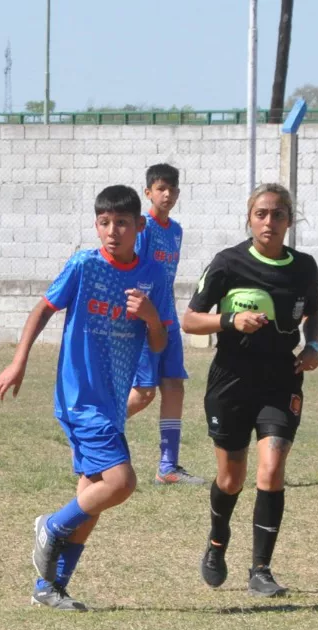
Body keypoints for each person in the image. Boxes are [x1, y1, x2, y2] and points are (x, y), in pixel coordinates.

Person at [0, 185, 171, 611]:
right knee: (121, 482)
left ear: (139, 226)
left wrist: (149, 316)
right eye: (105, 223)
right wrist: (19, 361)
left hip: (111, 401)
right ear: (96, 225)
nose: (113, 231)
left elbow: (161, 341)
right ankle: (51, 526)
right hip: (80, 398)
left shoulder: (153, 277)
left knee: (93, 493)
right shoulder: (84, 265)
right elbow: (42, 310)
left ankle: (50, 587)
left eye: (122, 223)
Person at [181, 184, 318, 597]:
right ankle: (216, 543)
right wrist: (230, 321)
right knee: (231, 478)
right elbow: (189, 320)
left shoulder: (304, 267)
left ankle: (261, 569)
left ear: (289, 221)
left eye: (278, 214)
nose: (269, 221)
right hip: (231, 381)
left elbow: (312, 313)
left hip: (281, 379)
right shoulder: (229, 263)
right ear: (250, 218)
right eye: (261, 213)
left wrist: (312, 345)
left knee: (272, 470)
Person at [126, 163, 204, 485]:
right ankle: (94, 431)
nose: (167, 194)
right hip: (146, 323)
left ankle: (167, 467)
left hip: (169, 320)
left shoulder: (176, 231)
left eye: (172, 189)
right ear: (148, 193)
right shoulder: (142, 229)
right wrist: (143, 316)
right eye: (160, 188)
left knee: (174, 386)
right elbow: (134, 273)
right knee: (144, 394)